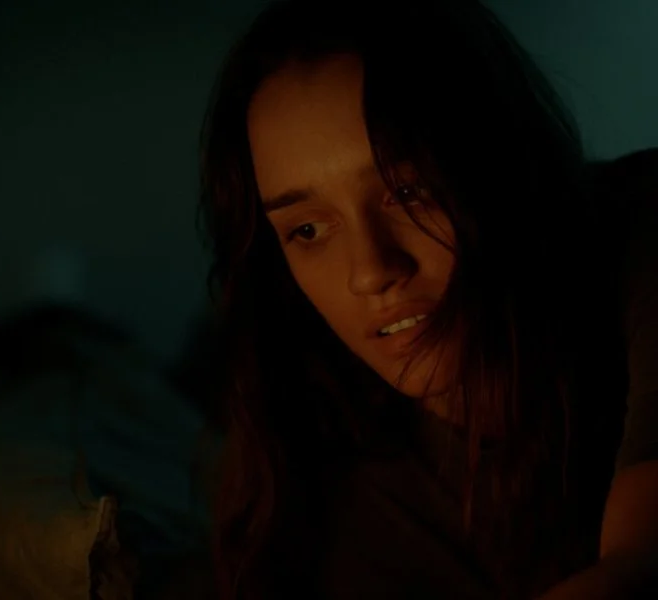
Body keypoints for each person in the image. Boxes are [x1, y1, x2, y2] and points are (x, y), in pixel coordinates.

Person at [197, 1, 658, 599]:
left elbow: (643, 566)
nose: (371, 272)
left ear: (501, 161)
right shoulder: (327, 483)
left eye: (408, 191)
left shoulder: (641, 228)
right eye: (307, 229)